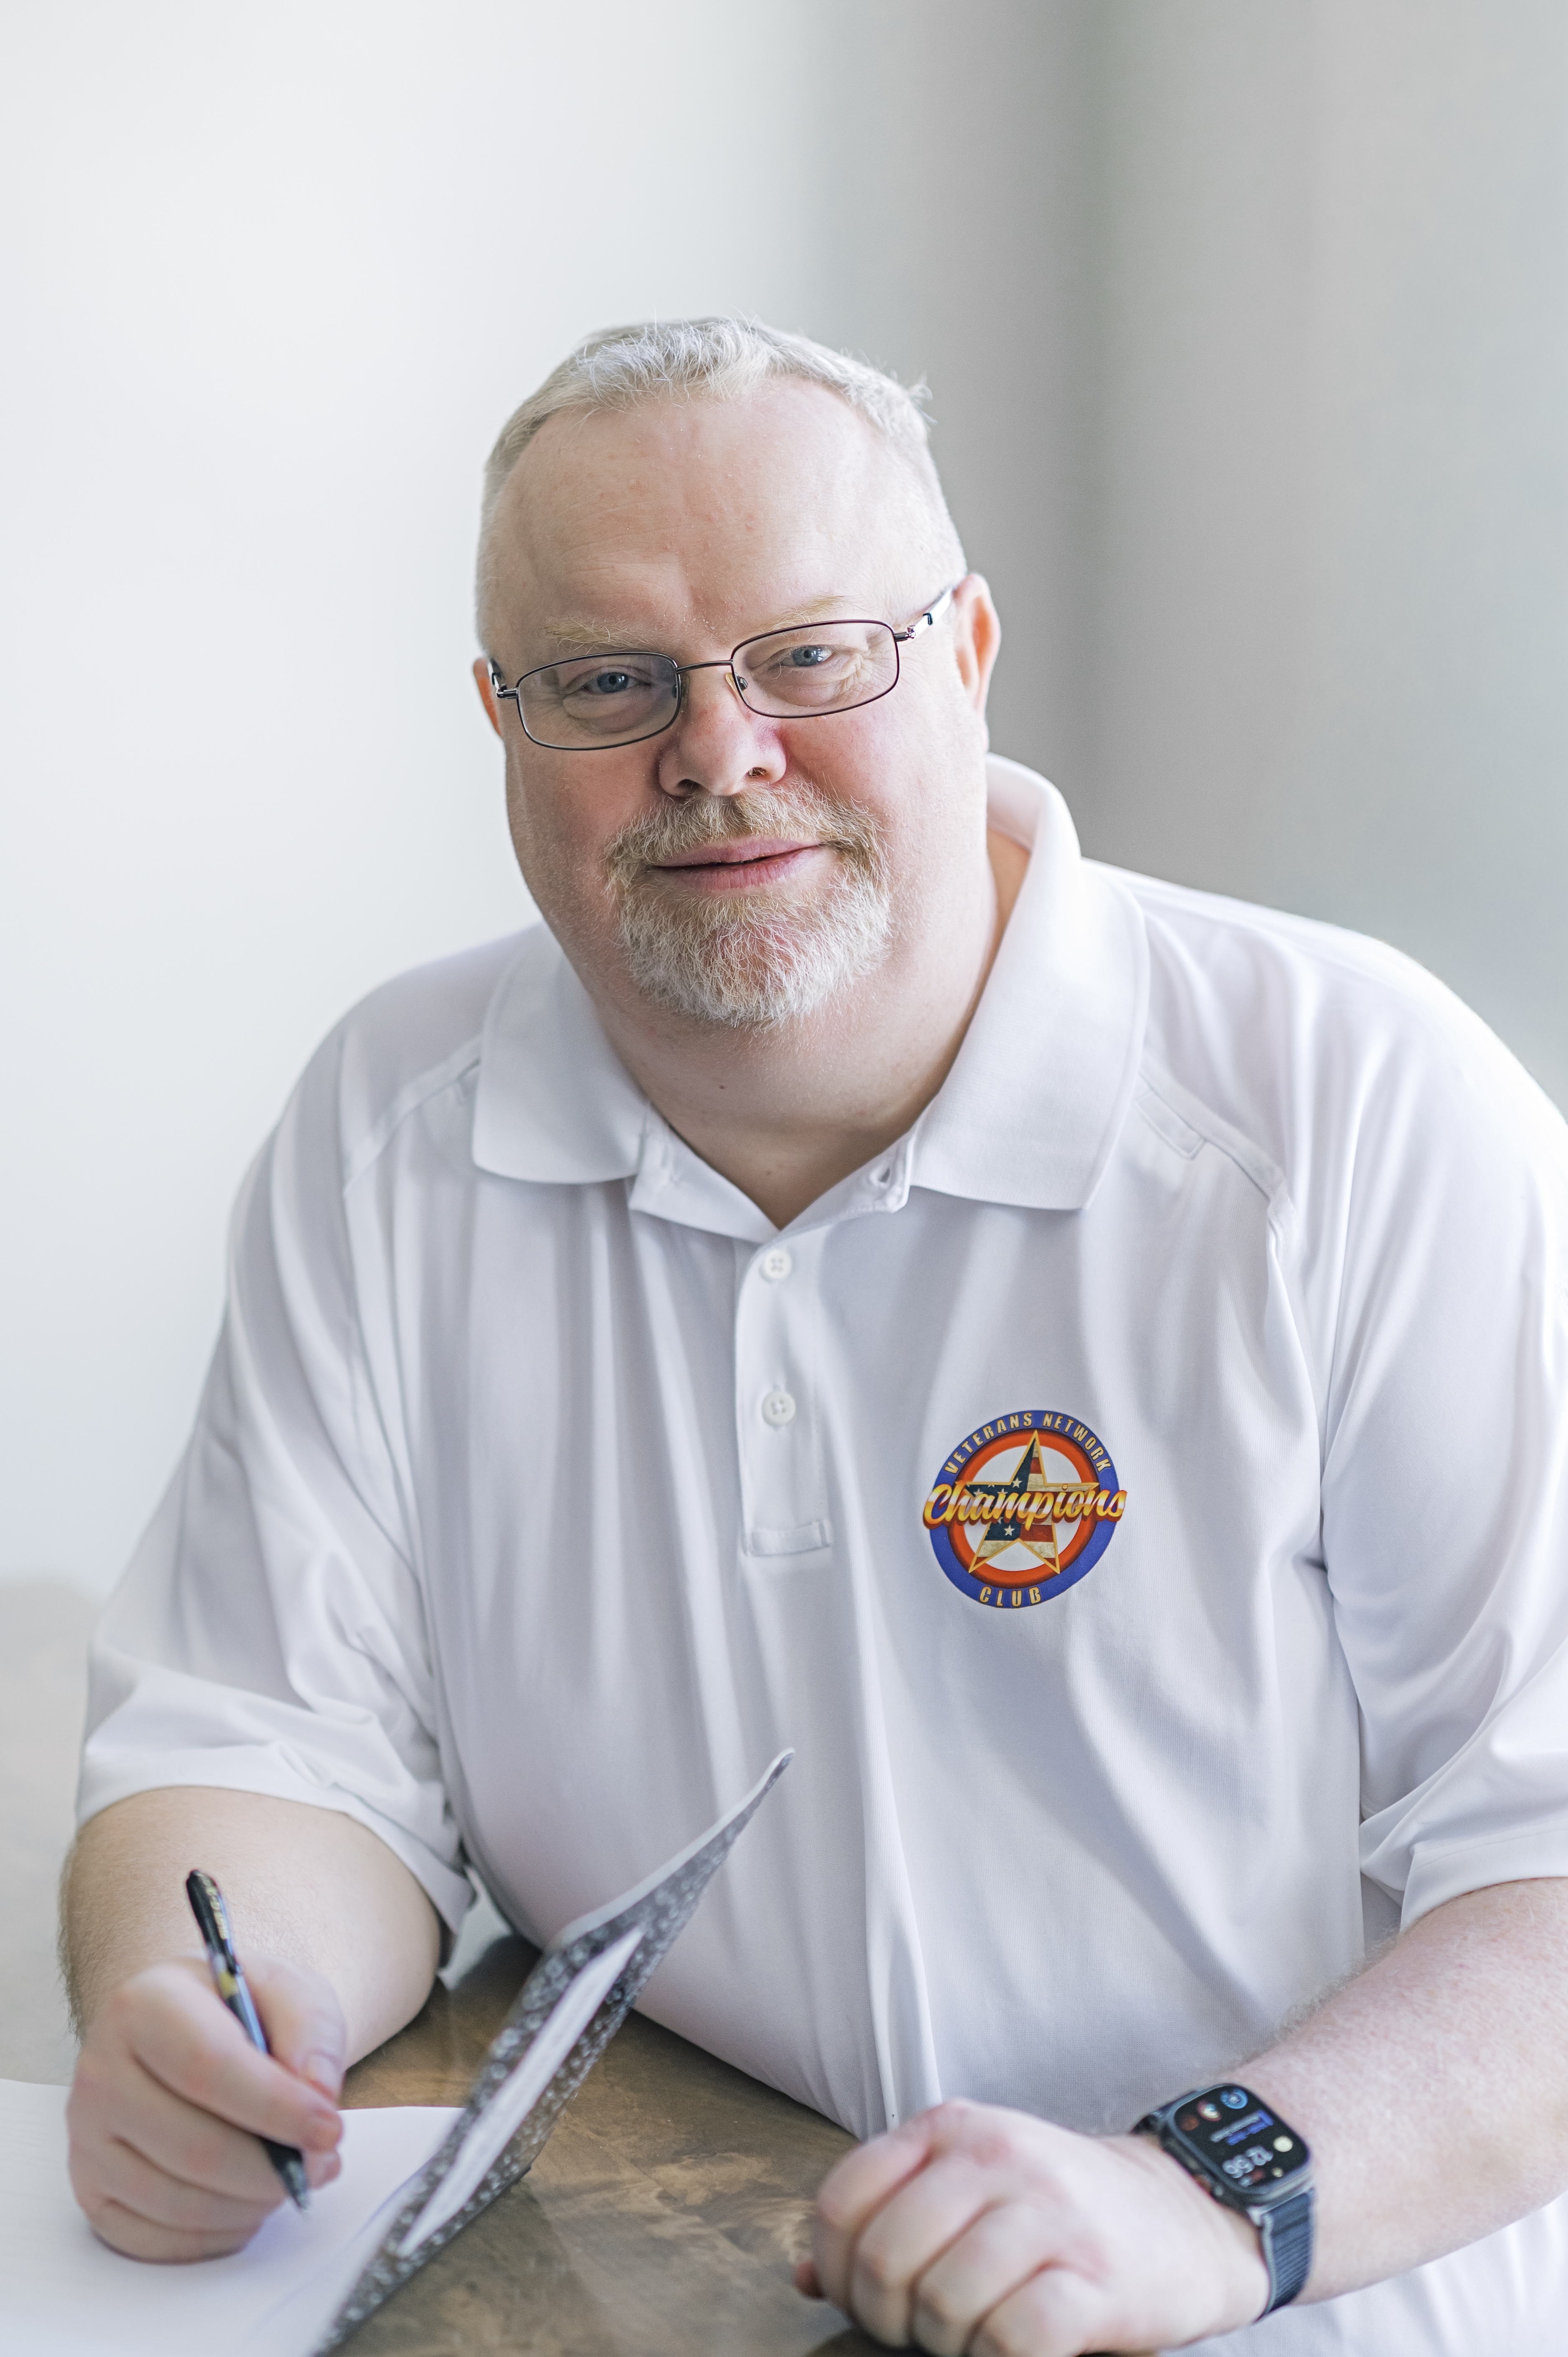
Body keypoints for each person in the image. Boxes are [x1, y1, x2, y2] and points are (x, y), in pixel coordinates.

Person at [61, 318, 1568, 2354]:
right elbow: (273, 1743)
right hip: (701, 2270)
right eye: (609, 681)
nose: (718, 748)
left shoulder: (1358, 1107)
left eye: (814, 651)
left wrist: (1188, 2201)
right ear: (500, 720)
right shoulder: (391, 1124)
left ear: (962, 651)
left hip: (1305, 2298)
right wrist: (207, 2016)